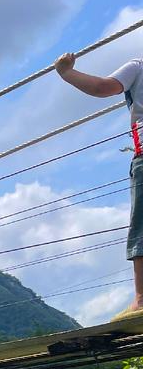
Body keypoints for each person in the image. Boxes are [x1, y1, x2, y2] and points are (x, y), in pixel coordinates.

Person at [54, 52, 143, 318]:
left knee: (142, 224)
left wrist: (65, 72)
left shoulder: (138, 66)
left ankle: (142, 298)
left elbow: (102, 88)